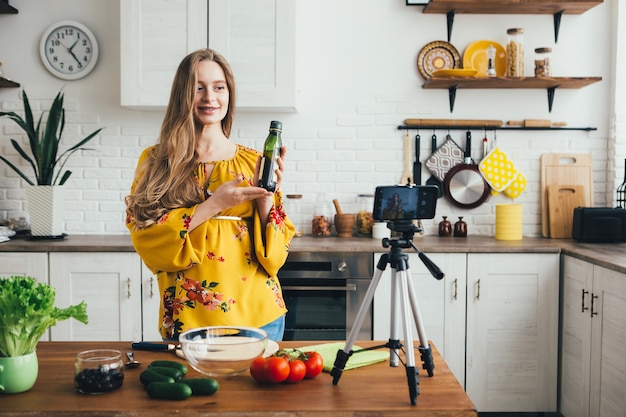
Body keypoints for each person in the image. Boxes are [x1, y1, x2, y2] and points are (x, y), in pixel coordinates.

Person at [125, 49, 296, 341]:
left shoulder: (251, 161)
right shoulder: (155, 162)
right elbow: (144, 234)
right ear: (182, 94)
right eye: (198, 88)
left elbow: (276, 255)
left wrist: (266, 196)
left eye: (219, 87)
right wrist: (215, 204)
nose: (209, 97)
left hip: (256, 317)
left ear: (229, 94)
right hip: (188, 319)